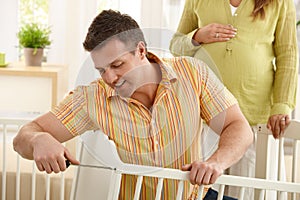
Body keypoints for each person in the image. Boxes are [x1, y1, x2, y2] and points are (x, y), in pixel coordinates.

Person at [13, 9, 253, 199]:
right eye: (101, 70)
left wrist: (216, 162)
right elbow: (24, 136)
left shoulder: (193, 73)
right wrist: (38, 140)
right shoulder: (92, 98)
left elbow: (237, 125)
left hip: (196, 196)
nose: (109, 78)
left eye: (117, 65)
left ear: (140, 50)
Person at [169, 0, 298, 199]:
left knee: (248, 192)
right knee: (203, 190)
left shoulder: (280, 2)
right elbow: (176, 47)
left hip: (253, 119)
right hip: (206, 118)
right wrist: (196, 36)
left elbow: (288, 55)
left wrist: (281, 105)